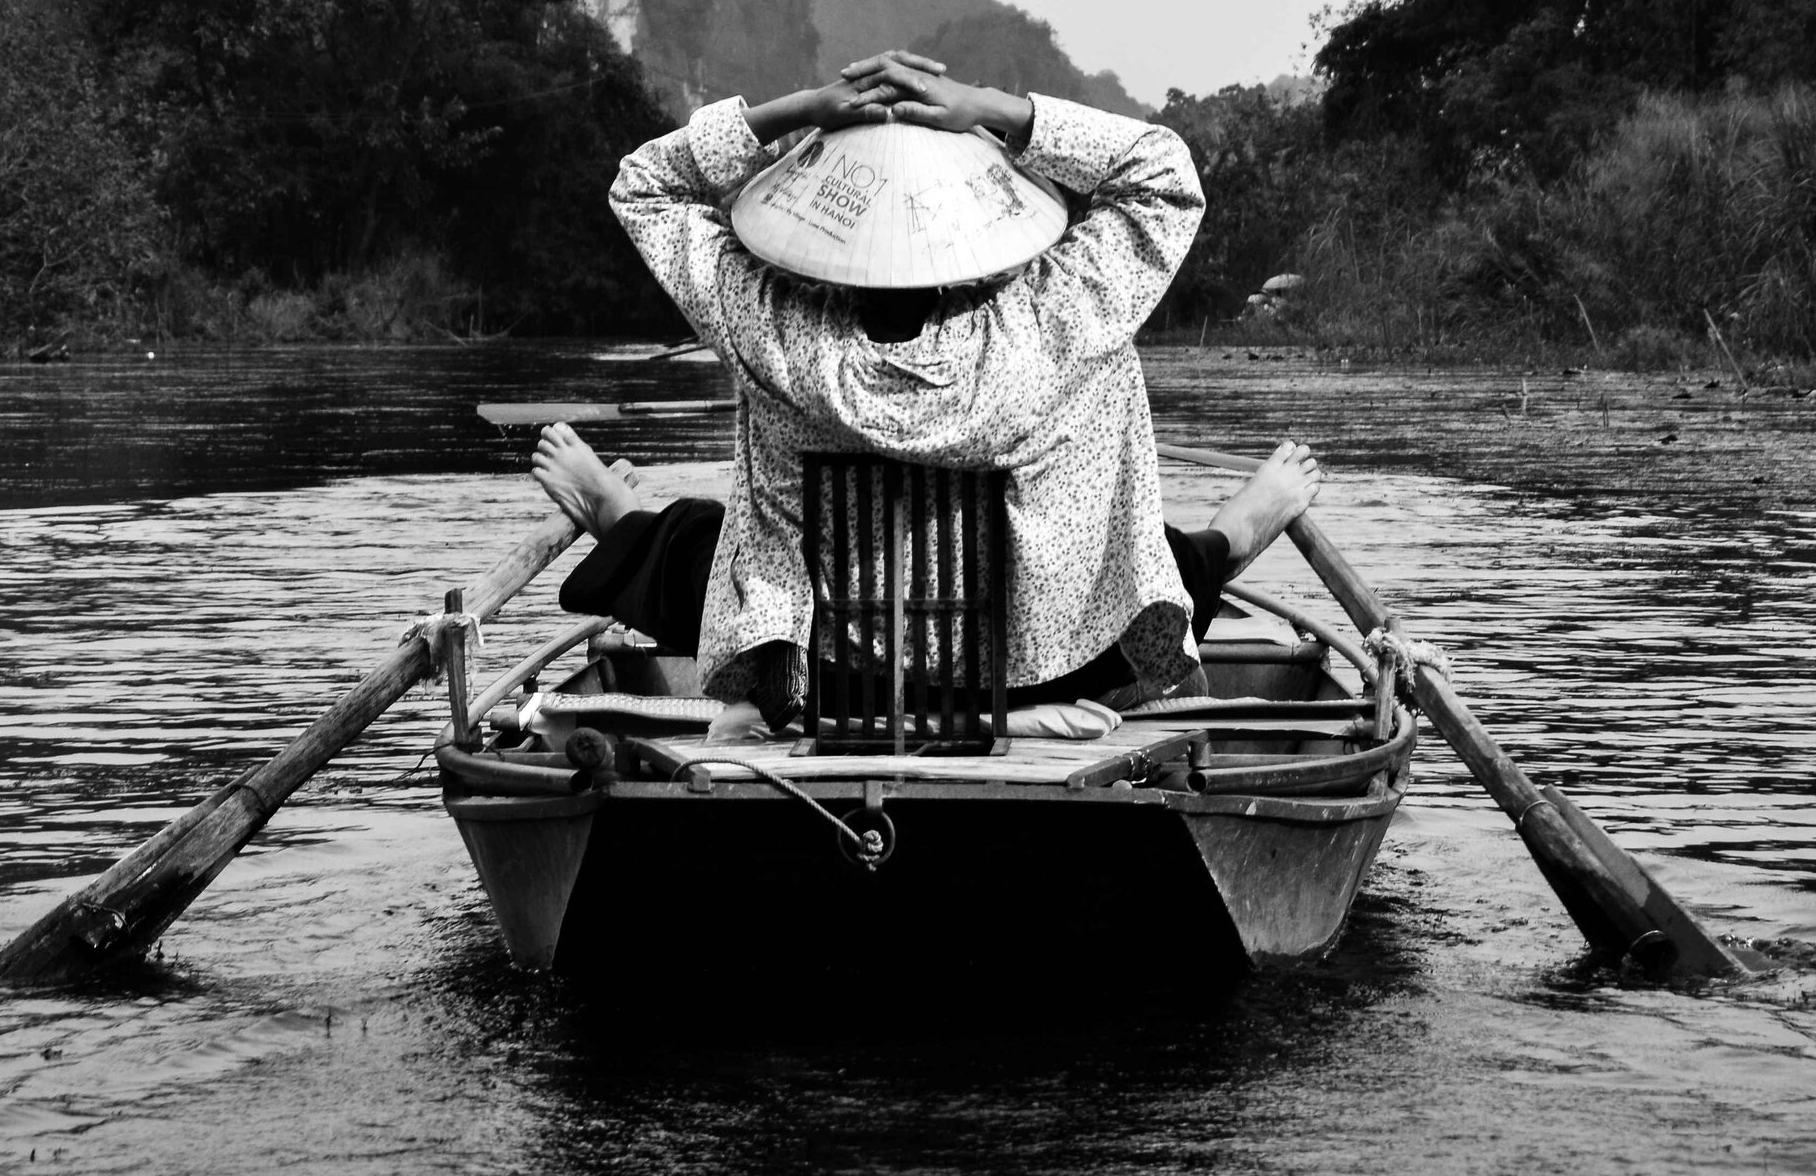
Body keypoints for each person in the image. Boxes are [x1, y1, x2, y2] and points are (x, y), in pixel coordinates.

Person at [555, 49, 1322, 736]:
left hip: (826, 682)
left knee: (706, 547)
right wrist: (993, 109)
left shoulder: (774, 333)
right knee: (1143, 564)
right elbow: (1163, 176)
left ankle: (622, 522)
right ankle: (1235, 536)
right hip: (1039, 668)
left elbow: (645, 186)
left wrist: (803, 110)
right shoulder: (1046, 325)